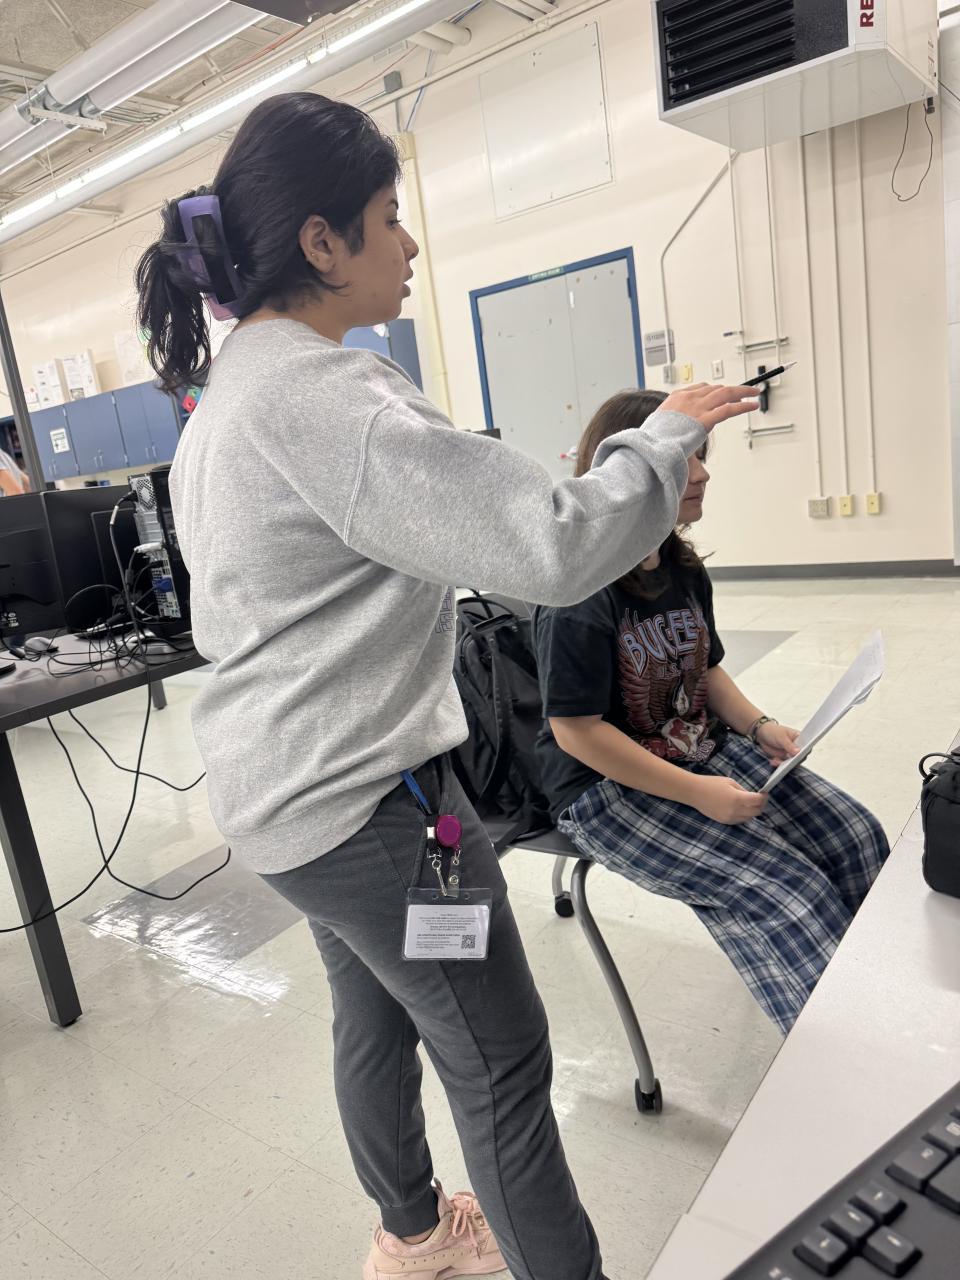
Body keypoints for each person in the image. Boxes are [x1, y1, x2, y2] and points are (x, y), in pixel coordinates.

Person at [134, 92, 757, 1280]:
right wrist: (664, 435)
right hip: (380, 809)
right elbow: (554, 543)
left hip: (281, 803)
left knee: (374, 1015)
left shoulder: (229, 399)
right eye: (388, 216)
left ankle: (412, 1232)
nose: (410, 243)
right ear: (322, 242)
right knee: (502, 1062)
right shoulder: (331, 396)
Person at [534, 390, 889, 1036]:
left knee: (856, 837)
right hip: (607, 789)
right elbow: (576, 732)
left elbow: (707, 670)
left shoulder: (681, 566)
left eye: (701, 457)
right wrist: (699, 793)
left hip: (697, 750)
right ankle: (840, 1053)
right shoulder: (578, 588)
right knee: (787, 894)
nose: (701, 474)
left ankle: (882, 1002)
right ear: (627, 472)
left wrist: (758, 726)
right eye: (684, 459)